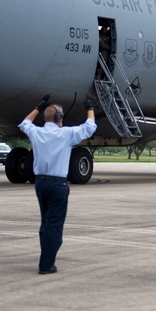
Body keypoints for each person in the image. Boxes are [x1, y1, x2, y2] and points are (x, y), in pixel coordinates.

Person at [18, 95, 96, 274]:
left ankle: (47, 254)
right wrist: (90, 108)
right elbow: (90, 127)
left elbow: (24, 124)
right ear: (59, 118)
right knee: (54, 225)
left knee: (46, 223)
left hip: (40, 183)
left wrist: (38, 107)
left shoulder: (36, 132)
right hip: (57, 185)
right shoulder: (65, 134)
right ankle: (46, 264)